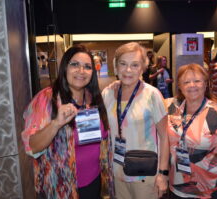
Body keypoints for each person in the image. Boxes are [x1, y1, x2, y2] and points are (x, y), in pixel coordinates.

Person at [21, 45, 114, 199]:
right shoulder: (47, 99)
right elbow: (31, 146)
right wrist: (56, 123)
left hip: (94, 181)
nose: (81, 71)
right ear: (65, 67)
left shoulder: (94, 98)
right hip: (61, 187)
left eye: (87, 67)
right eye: (75, 64)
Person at [102, 42, 169, 199]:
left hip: (145, 174)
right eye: (123, 64)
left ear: (143, 68)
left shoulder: (152, 95)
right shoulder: (108, 94)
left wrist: (163, 174)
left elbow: (165, 137)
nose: (128, 70)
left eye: (135, 65)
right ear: (115, 66)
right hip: (117, 171)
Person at [165, 63, 217, 199]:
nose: (192, 85)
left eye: (197, 81)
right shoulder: (171, 107)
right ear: (180, 87)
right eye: (186, 82)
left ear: (206, 84)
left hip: (210, 189)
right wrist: (120, 86)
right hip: (177, 186)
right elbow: (146, 98)